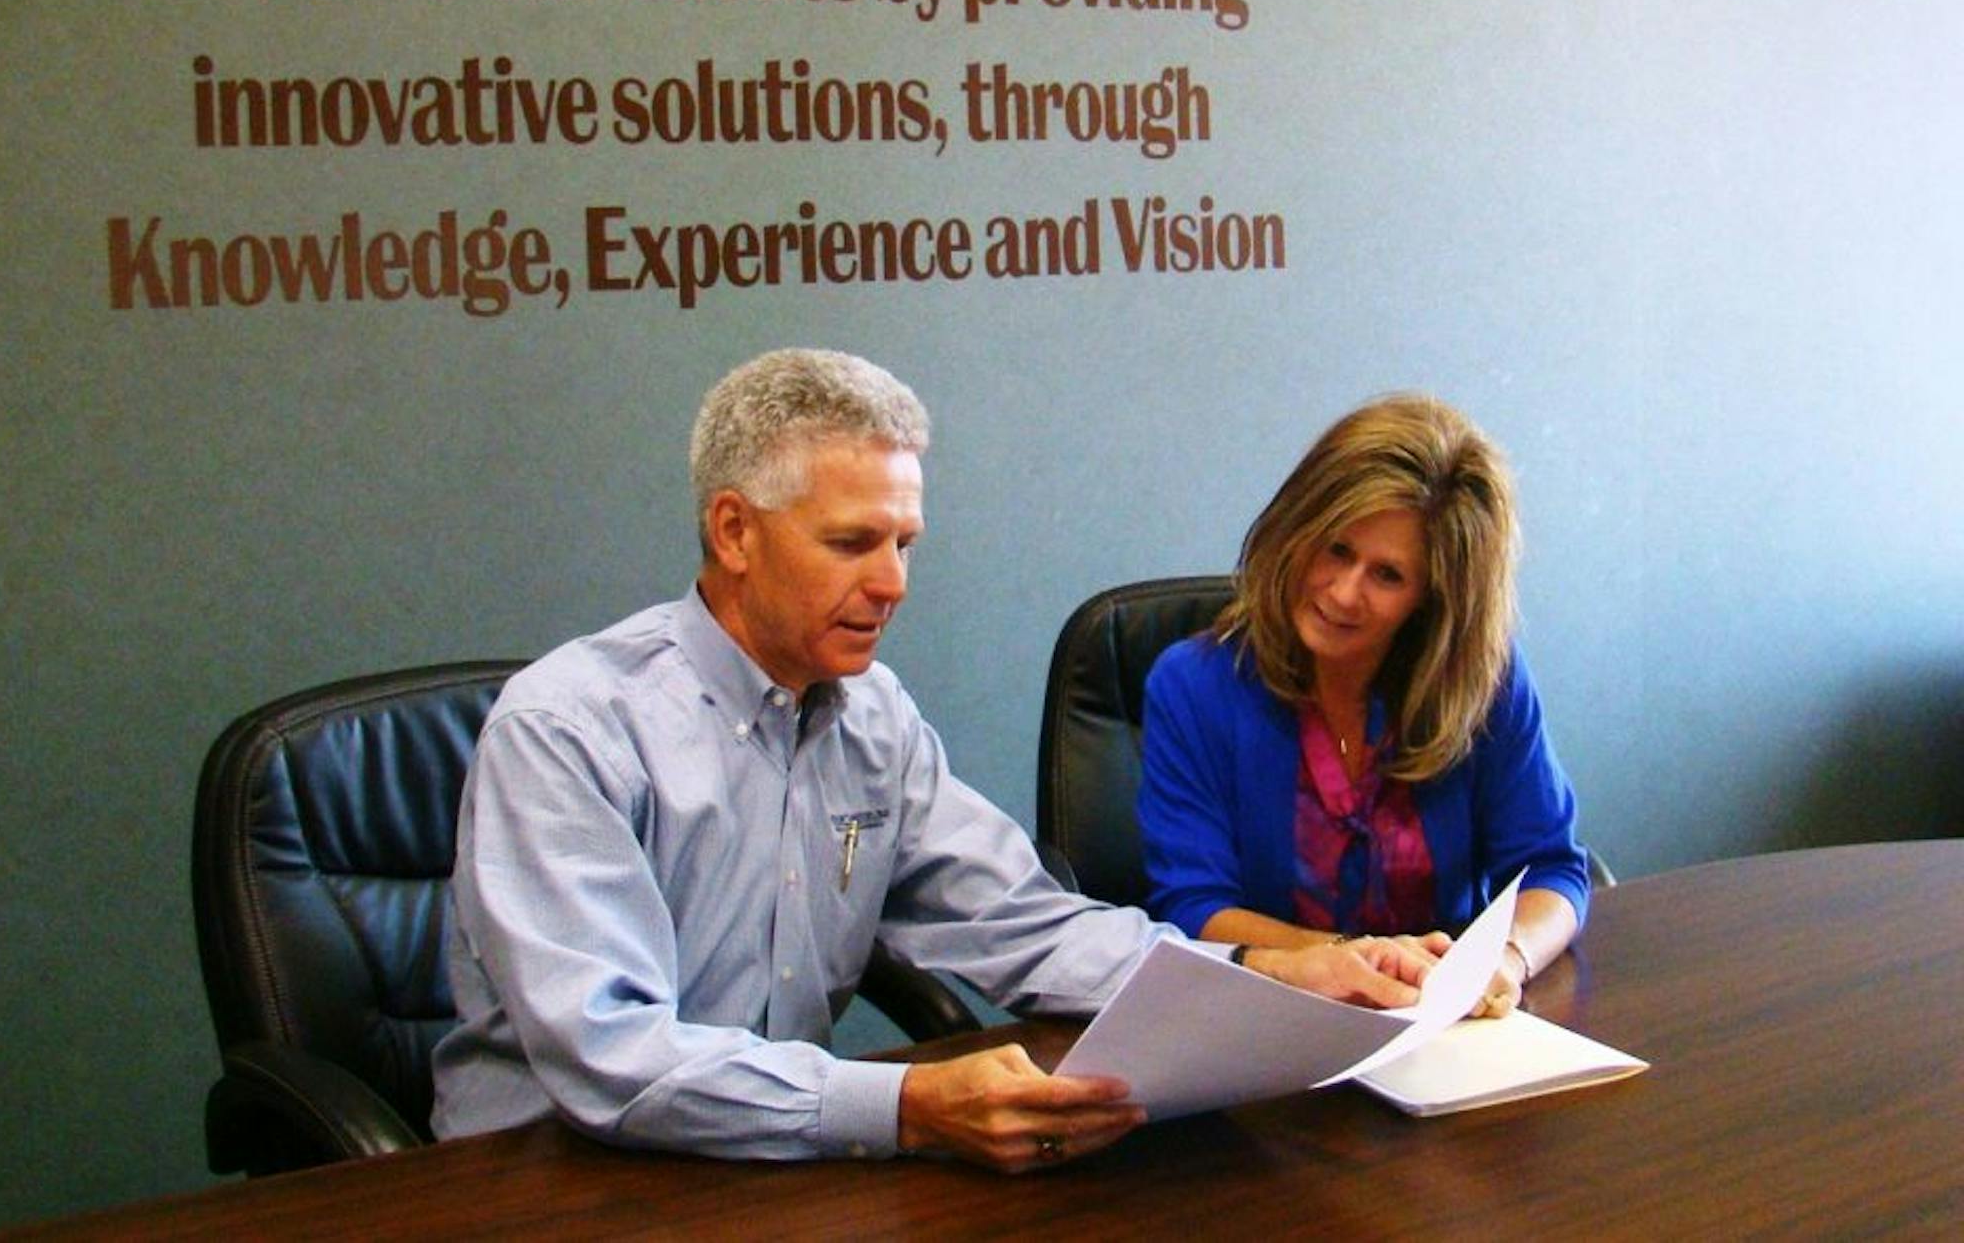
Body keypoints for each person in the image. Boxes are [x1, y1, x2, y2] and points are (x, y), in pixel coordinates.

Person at [432, 348, 1430, 1172]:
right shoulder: (569, 729)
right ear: (734, 531)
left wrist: (1277, 973)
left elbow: (1026, 927)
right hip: (541, 1182)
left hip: (756, 1170)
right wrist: (907, 1103)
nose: (892, 583)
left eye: (906, 543)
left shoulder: (870, 715)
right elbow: (616, 1060)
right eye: (853, 542)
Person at [1137, 394, 1589, 1019]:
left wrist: (1501, 961)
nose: (1344, 594)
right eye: (1336, 550)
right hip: (1272, 1017)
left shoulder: (1484, 680)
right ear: (1296, 531)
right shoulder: (1195, 684)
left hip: (1443, 1018)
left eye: (1388, 576)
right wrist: (1356, 961)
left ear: (1433, 597)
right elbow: (1195, 908)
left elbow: (1554, 871)